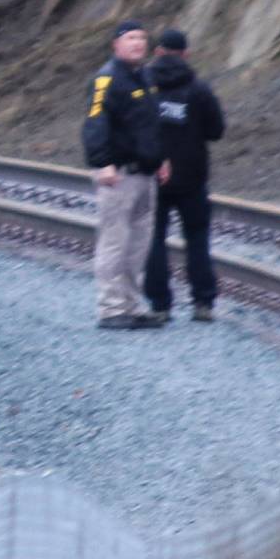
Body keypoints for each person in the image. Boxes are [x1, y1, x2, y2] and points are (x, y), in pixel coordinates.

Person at [81, 18, 166, 330]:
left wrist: (161, 158)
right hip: (119, 175)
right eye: (130, 38)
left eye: (142, 38)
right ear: (116, 44)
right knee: (114, 242)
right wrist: (102, 162)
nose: (137, 43)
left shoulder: (144, 76)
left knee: (138, 244)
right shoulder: (108, 78)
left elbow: (150, 124)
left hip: (145, 174)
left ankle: (130, 304)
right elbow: (94, 121)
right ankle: (111, 308)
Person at [143, 28, 225, 323]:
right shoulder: (199, 89)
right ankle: (203, 303)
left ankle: (160, 305)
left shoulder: (143, 87)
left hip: (152, 176)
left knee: (154, 240)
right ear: (186, 54)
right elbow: (216, 131)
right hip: (192, 178)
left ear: (157, 52)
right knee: (198, 239)